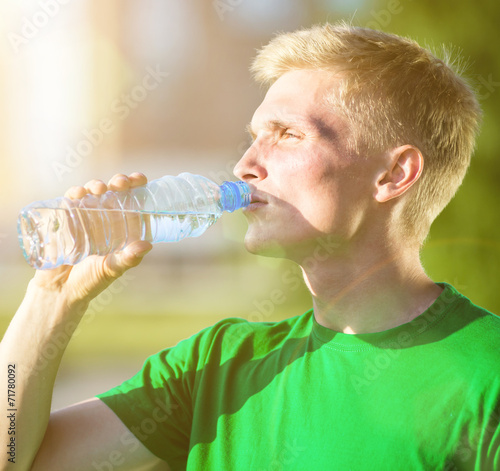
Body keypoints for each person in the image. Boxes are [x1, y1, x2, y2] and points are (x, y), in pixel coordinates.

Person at [1, 21, 499, 471]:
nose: (245, 165)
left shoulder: (487, 374)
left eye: (286, 134)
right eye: (254, 135)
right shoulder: (216, 366)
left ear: (394, 174)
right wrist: (53, 299)